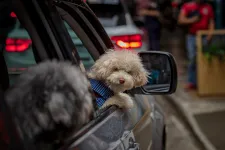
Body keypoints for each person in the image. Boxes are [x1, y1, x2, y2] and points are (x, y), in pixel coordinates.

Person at [178, 0, 215, 90]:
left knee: (204, 59)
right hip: (192, 37)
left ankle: (204, 82)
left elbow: (211, 22)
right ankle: (192, 82)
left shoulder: (208, 7)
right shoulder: (187, 6)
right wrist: (193, 19)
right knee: (192, 59)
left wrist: (210, 35)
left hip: (204, 36)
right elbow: (181, 20)